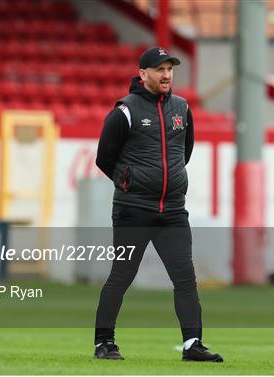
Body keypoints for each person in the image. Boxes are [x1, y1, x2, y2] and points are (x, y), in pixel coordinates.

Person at [94, 46, 223, 363]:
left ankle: (193, 344)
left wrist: (169, 182)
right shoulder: (125, 110)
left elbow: (184, 152)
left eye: (170, 69)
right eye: (159, 69)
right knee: (121, 276)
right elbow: (104, 158)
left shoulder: (183, 108)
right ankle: (104, 344)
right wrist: (130, 183)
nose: (166, 75)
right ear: (143, 74)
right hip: (133, 210)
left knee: (185, 279)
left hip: (173, 211)